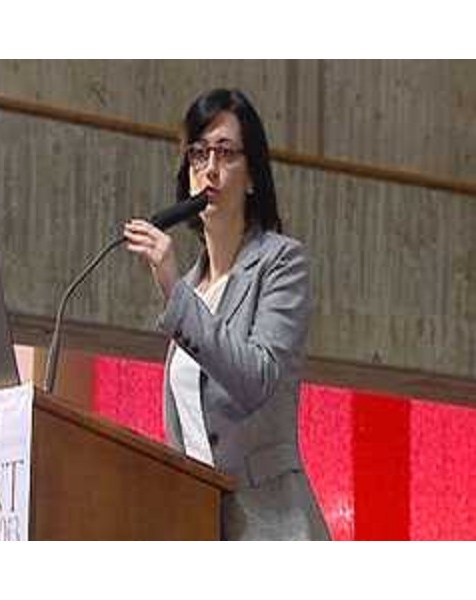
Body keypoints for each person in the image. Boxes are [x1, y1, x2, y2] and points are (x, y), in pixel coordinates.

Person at [124, 88, 330, 540]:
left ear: (252, 175)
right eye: (199, 154)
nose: (210, 168)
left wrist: (174, 292)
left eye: (226, 153)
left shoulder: (281, 262)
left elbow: (256, 377)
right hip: (201, 527)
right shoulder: (192, 286)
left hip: (271, 528)